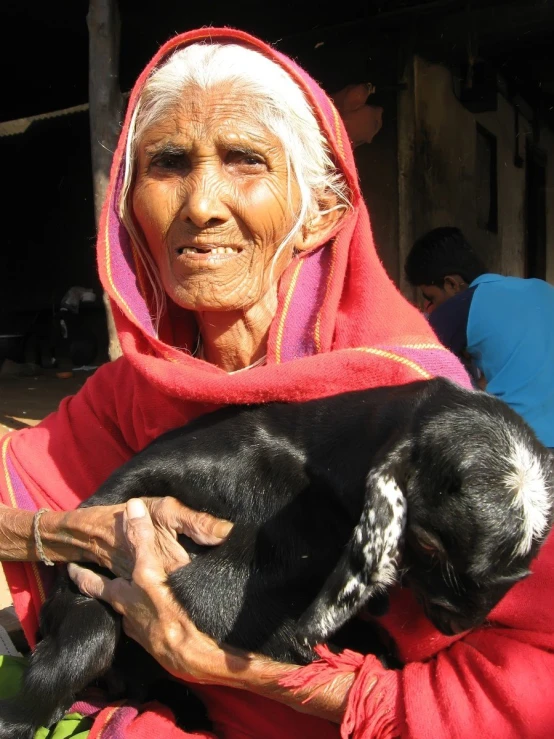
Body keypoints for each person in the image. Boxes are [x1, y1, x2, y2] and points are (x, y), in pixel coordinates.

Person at [0, 28, 552, 739]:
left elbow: (522, 694)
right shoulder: (137, 387)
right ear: (129, 207)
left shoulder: (430, 432)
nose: (201, 202)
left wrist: (219, 663)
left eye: (244, 160)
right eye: (168, 163)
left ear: (320, 207)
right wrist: (70, 530)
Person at [405, 226, 554, 448]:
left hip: (522, 445)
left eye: (431, 298)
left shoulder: (464, 304)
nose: (432, 308)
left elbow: (412, 367)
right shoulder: (544, 289)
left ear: (452, 284)